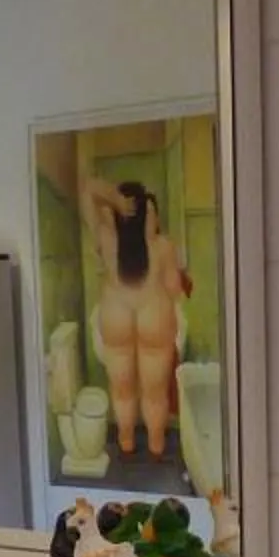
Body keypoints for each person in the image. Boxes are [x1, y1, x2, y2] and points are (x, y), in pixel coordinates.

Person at [79, 172, 189, 460]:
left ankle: (126, 446)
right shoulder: (163, 246)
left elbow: (87, 187)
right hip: (154, 314)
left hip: (116, 314)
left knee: (122, 391)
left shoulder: (105, 238)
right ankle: (155, 449)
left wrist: (114, 198)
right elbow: (174, 289)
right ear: (147, 212)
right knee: (154, 394)